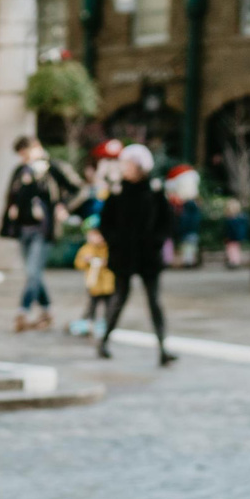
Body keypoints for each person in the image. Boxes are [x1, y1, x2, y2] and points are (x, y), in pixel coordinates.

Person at [97, 144, 176, 366]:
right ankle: (104, 341)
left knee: (154, 301)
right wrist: (114, 241)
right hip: (123, 255)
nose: (126, 169)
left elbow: (167, 220)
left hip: (148, 256)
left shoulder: (154, 190)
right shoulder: (117, 191)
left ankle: (162, 348)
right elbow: (105, 221)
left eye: (129, 165)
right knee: (118, 298)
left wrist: (156, 242)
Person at [0, 136, 58, 332]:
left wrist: (62, 208)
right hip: (23, 229)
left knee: (33, 272)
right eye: (20, 154)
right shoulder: (20, 171)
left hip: (42, 230)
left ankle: (22, 311)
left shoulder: (51, 169)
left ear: (36, 148)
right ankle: (47, 311)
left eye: (25, 153)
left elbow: (76, 189)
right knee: (34, 274)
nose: (23, 157)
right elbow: (13, 195)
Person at [73, 219, 113, 336]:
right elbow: (78, 263)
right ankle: (89, 322)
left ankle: (107, 323)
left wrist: (107, 262)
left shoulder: (108, 248)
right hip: (93, 284)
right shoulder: (87, 249)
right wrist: (86, 260)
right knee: (92, 305)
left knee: (109, 306)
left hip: (107, 285)